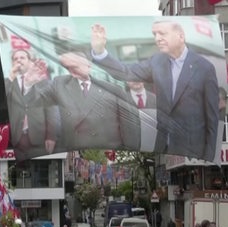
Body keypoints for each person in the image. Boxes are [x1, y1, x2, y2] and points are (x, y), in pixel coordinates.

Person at [90, 20, 219, 162]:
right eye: (155, 34)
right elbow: (127, 72)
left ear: (180, 37)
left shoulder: (205, 68)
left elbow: (212, 119)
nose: (157, 38)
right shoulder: (156, 62)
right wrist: (100, 52)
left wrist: (209, 156)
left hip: (194, 151)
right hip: (164, 149)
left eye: (162, 33)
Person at [40, 51, 138, 151]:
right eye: (69, 67)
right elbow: (37, 100)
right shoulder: (60, 85)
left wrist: (131, 151)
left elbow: (130, 127)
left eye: (76, 65)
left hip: (106, 151)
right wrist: (30, 82)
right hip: (74, 151)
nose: (72, 69)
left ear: (88, 64)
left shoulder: (114, 90)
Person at [4, 48, 61, 161]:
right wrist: (11, 77)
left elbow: (52, 110)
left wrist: (51, 136)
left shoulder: (43, 82)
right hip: (15, 140)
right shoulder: (9, 82)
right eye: (15, 59)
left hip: (39, 139)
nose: (19, 60)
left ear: (30, 61)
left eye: (22, 57)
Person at [125, 81, 158, 152]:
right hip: (130, 147)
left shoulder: (156, 99)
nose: (136, 80)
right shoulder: (121, 99)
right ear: (127, 81)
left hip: (153, 146)